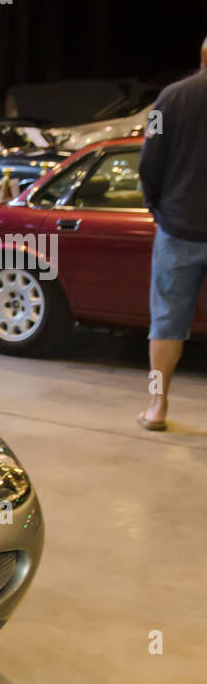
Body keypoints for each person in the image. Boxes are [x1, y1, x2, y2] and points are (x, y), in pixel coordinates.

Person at [136, 36, 207, 431]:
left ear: (201, 57)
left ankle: (157, 406)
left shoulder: (169, 98)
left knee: (165, 324)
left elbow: (149, 160)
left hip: (177, 228)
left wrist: (157, 206)